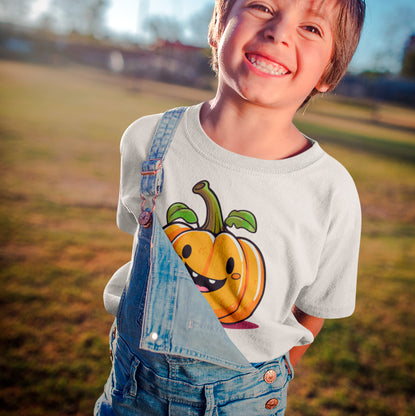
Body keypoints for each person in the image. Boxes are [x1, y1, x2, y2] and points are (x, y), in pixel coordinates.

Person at [95, 0, 365, 414]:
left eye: (311, 29)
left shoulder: (331, 190)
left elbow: (314, 312)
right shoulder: (148, 139)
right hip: (130, 391)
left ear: (329, 73)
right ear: (218, 25)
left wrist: (249, 387)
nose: (279, 31)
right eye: (261, 6)